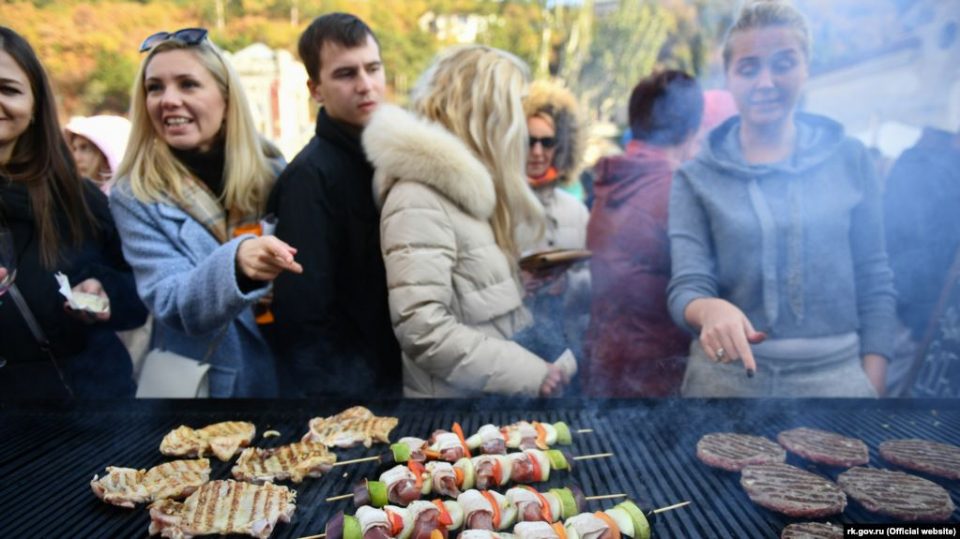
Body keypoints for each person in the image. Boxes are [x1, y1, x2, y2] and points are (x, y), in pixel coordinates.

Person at [667, 0, 897, 398]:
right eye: (749, 67)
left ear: (806, 67)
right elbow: (686, 285)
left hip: (835, 379)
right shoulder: (696, 175)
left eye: (784, 63)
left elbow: (875, 278)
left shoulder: (850, 158)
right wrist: (709, 309)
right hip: (725, 378)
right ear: (730, 76)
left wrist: (872, 383)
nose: (766, 82)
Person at [362, 45, 570, 398]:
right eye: (513, 112)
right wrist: (530, 373)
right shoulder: (417, 197)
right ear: (487, 116)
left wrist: (519, 282)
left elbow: (470, 299)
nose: (519, 128)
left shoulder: (469, 189)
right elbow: (423, 330)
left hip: (488, 411)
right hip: (453, 422)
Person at [110, 28, 301, 398]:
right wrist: (236, 264)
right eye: (155, 88)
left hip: (285, 381)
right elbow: (170, 301)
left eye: (187, 84)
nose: (168, 100)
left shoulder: (274, 172)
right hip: (202, 393)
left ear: (227, 99)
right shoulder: (134, 193)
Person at [0, 26, 147, 398]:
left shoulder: (75, 197)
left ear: (35, 105)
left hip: (85, 413)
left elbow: (138, 294)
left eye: (8, 89)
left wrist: (105, 292)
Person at [267, 13, 401, 398]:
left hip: (399, 377)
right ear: (316, 89)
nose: (365, 85)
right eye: (345, 74)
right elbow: (305, 315)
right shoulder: (309, 178)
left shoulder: (389, 159)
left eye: (372, 68)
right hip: (353, 392)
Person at [584, 70, 704, 397]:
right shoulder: (675, 191)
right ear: (693, 131)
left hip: (603, 367)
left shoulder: (612, 181)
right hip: (653, 383)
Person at [518, 80, 590, 386]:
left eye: (546, 142)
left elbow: (594, 283)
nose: (537, 152)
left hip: (565, 351)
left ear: (560, 146)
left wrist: (568, 282)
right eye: (528, 141)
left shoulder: (575, 210)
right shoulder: (496, 208)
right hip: (513, 352)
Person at [64, 115, 132, 194]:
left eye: (84, 148)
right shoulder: (73, 197)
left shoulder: (128, 200)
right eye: (74, 149)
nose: (76, 158)